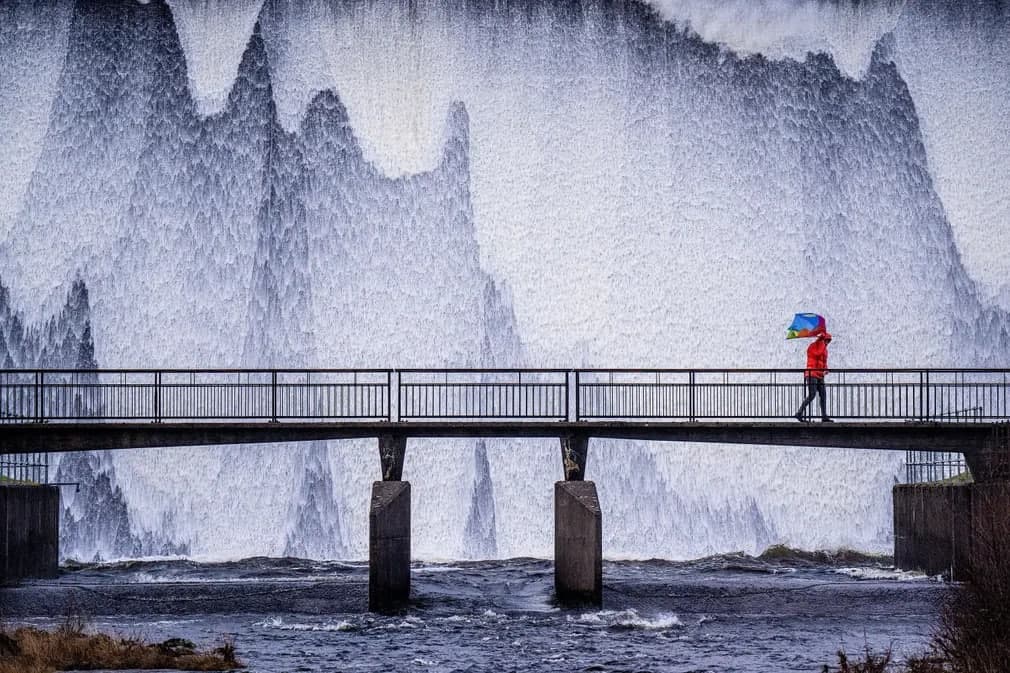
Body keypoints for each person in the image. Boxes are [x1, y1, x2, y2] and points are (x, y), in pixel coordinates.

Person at [795, 332, 833, 422]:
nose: (827, 343)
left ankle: (824, 416)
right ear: (823, 339)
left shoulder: (825, 349)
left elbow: (823, 361)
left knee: (823, 394)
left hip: (819, 374)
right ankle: (799, 412)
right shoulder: (813, 346)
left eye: (828, 341)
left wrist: (826, 368)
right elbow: (817, 353)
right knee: (812, 395)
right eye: (826, 340)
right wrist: (821, 341)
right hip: (811, 373)